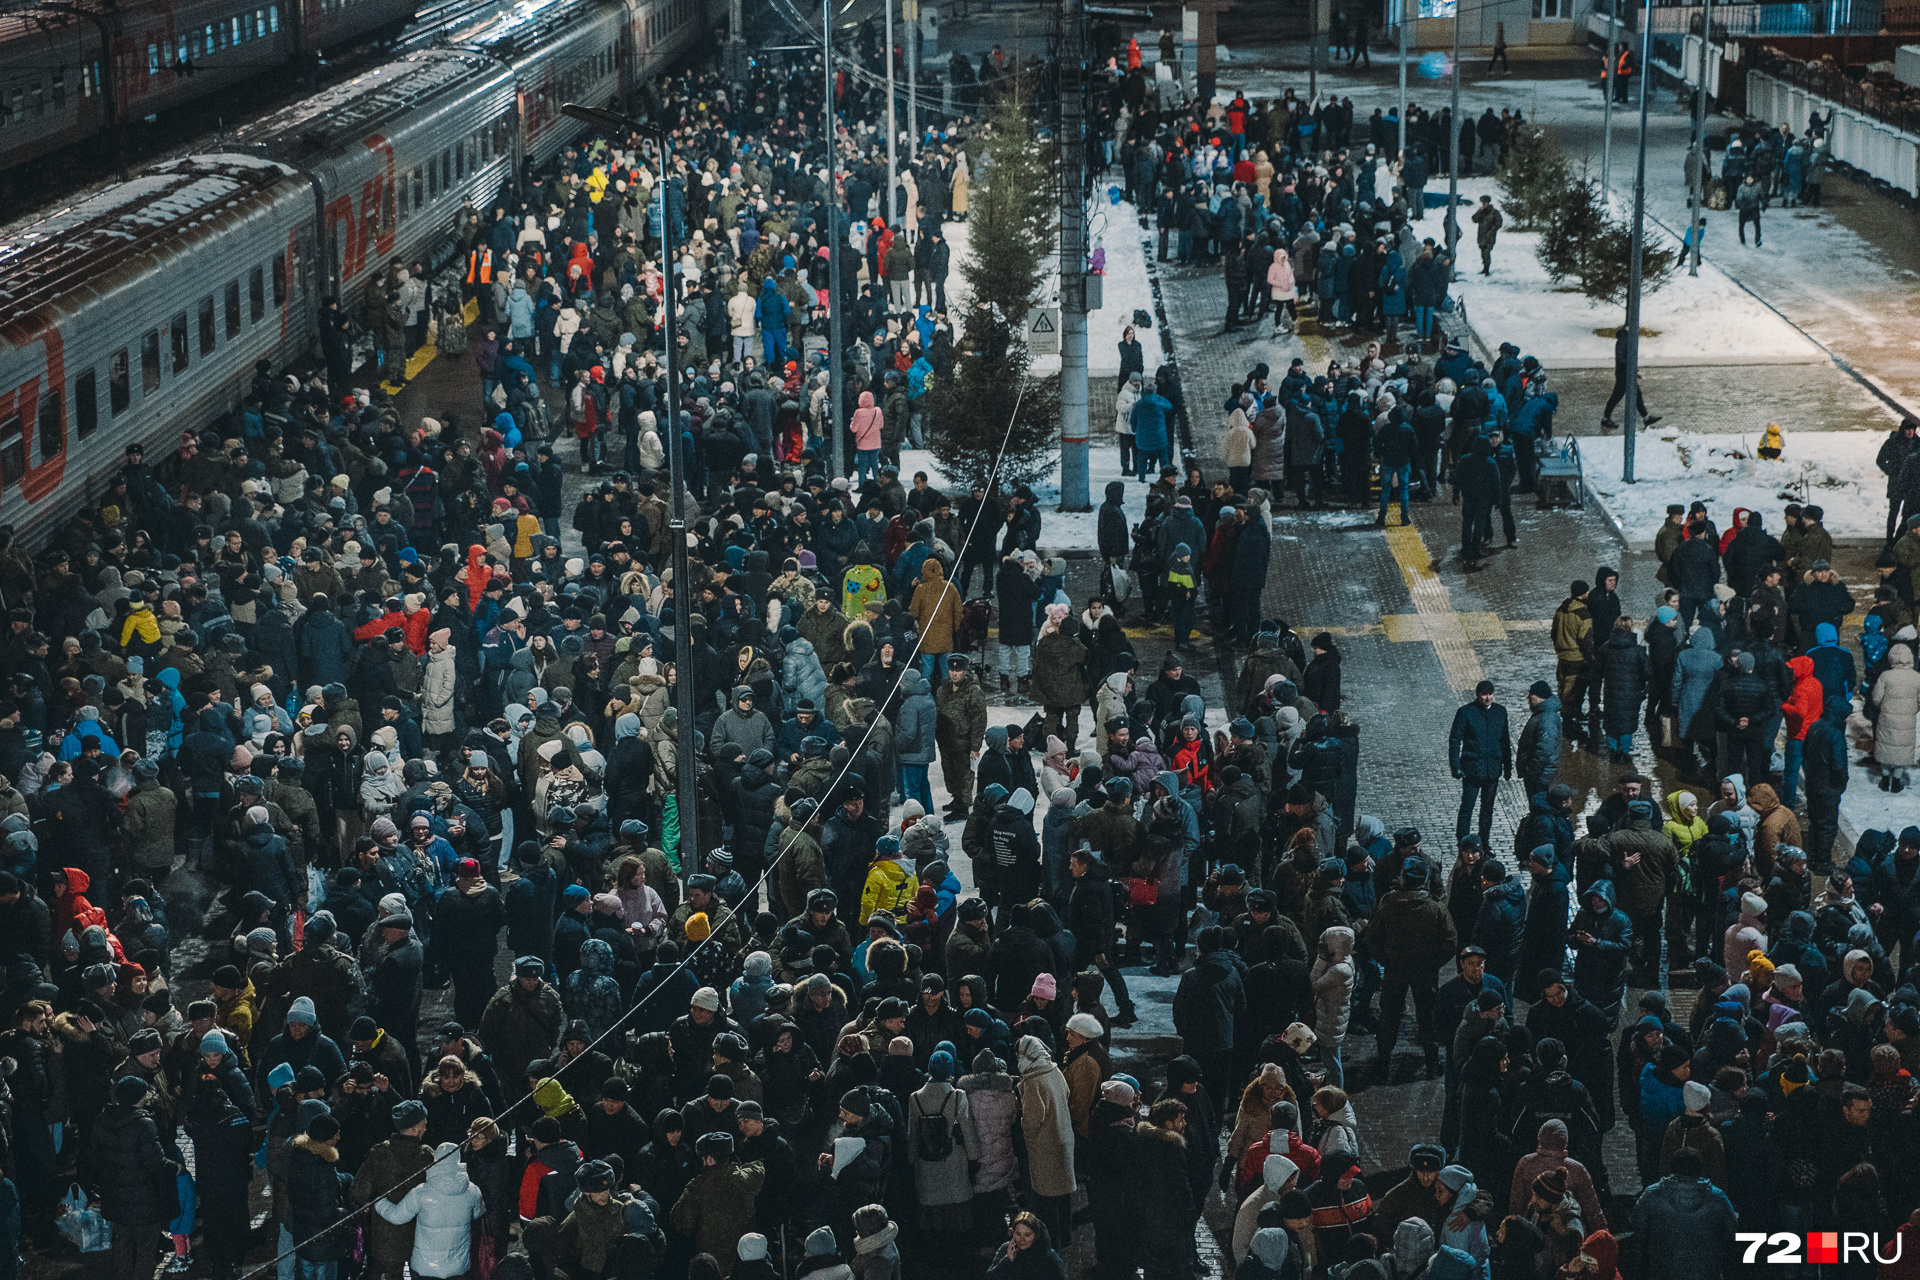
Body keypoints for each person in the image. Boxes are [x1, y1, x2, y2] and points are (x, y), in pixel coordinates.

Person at [1449, 681, 1511, 847]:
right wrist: (1455, 766)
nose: (1487, 697)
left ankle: (1484, 841)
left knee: (1487, 809)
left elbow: (1505, 740)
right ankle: (1463, 841)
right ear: (1478, 695)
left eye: (1490, 693)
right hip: (1472, 769)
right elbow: (1455, 740)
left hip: (1492, 770)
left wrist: (1508, 767)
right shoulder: (1465, 712)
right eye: (1484, 694)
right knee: (1467, 807)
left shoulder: (1500, 712)